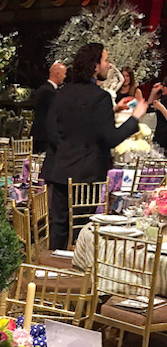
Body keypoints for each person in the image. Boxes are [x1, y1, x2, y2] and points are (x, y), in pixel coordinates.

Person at [41, 43, 161, 250]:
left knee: (59, 227)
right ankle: (78, 275)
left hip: (60, 171)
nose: (108, 65)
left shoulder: (62, 93)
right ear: (94, 66)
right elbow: (110, 138)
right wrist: (135, 117)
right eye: (105, 60)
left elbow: (52, 132)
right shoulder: (100, 97)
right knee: (82, 229)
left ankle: (54, 272)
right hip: (87, 174)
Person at [31, 61, 66, 153]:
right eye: (64, 74)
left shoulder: (44, 89)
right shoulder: (47, 91)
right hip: (44, 135)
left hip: (42, 134)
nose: (65, 77)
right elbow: (52, 113)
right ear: (57, 74)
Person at [152, 78, 167, 151]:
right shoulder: (163, 98)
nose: (162, 88)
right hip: (159, 134)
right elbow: (150, 106)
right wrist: (154, 91)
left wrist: (161, 107)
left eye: (164, 86)